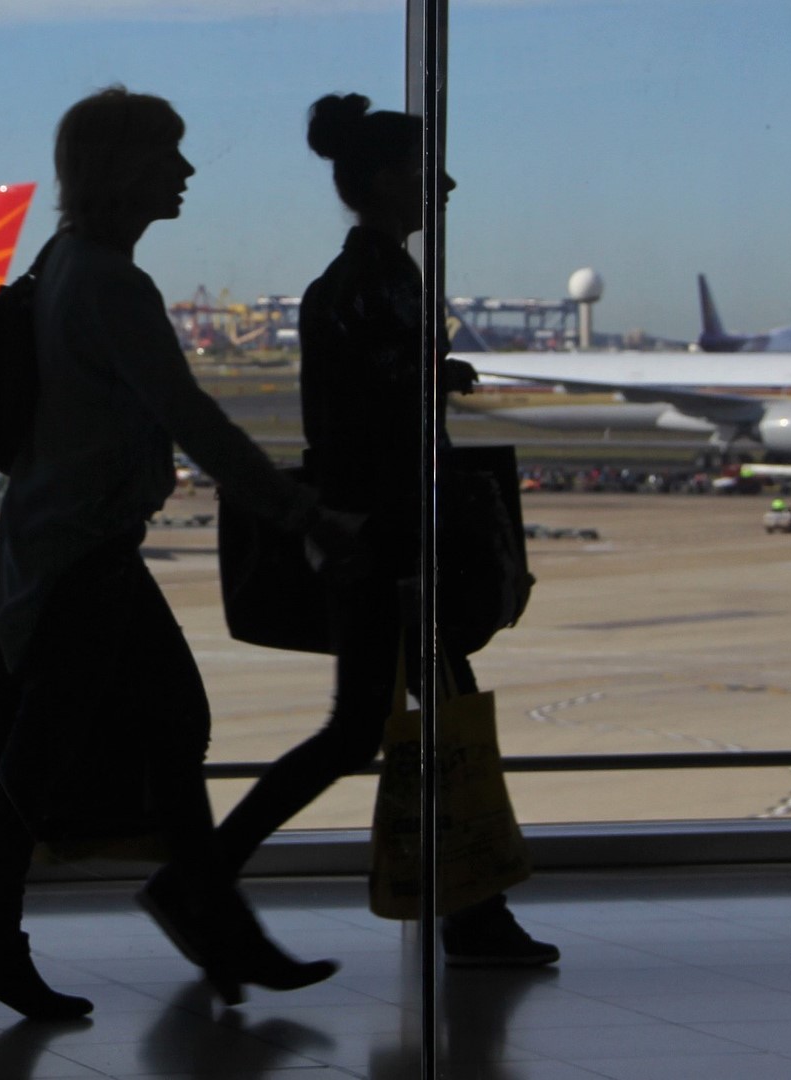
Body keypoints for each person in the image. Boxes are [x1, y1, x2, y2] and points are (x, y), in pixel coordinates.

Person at [0, 86, 355, 1024]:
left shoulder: (64, 262)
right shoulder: (109, 282)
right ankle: (172, 924)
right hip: (81, 549)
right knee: (113, 738)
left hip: (62, 542)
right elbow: (195, 422)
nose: (185, 173)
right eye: (170, 156)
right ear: (123, 170)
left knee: (114, 739)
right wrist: (300, 513)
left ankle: (180, 924)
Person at [210, 92, 560, 967]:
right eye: (422, 169)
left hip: (369, 536)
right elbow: (380, 423)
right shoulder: (386, 281)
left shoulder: (344, 284)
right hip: (394, 541)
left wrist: (427, 372)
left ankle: (468, 909)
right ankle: (211, 871)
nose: (442, 183)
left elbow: (350, 408)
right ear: (378, 181)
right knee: (413, 728)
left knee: (376, 726)